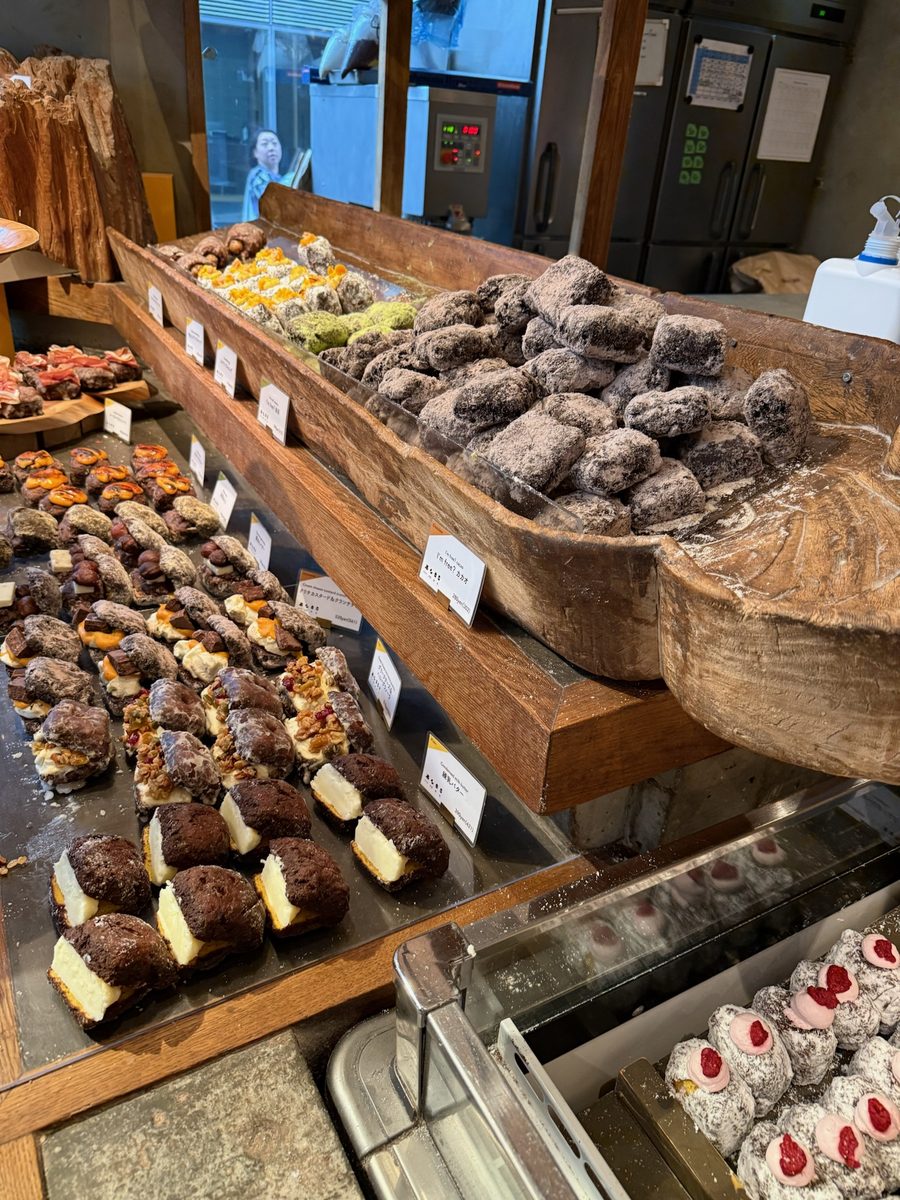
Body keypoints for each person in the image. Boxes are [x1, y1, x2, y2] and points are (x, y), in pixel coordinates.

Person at [242, 129, 290, 221]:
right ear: (255, 152)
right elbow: (275, 203)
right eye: (265, 144)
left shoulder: (279, 178)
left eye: (274, 143)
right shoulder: (257, 176)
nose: (271, 148)